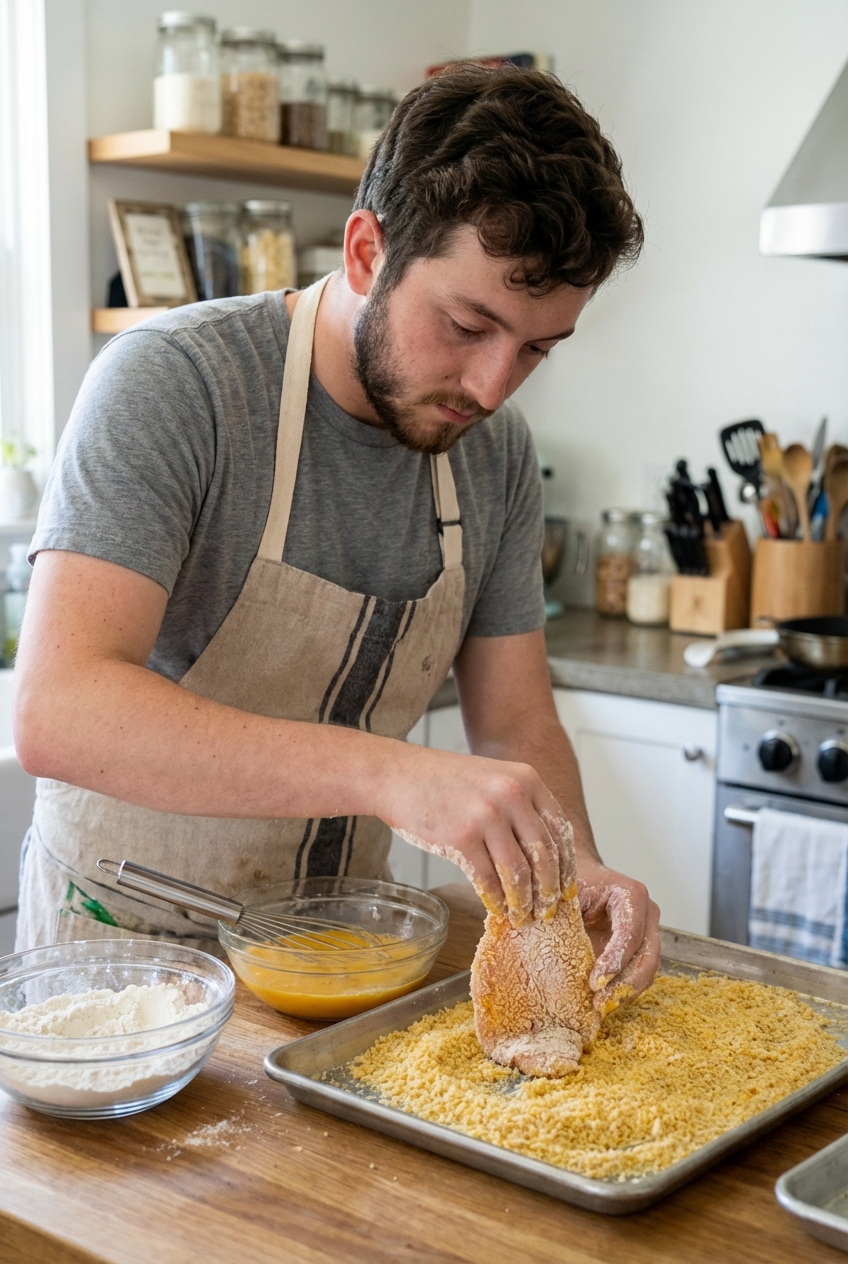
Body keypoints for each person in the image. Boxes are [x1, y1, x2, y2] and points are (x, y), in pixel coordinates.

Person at [13, 62, 659, 1011]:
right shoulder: (177, 386)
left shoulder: (498, 457)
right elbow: (59, 710)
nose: (491, 386)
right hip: (122, 962)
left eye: (534, 349)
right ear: (366, 253)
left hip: (342, 960)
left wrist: (575, 865)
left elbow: (516, 720)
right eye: (467, 324)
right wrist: (392, 774)